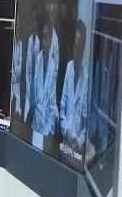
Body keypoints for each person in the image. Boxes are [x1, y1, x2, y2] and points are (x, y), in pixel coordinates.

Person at [29, 13, 60, 146]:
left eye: (47, 36)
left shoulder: (54, 66)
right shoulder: (39, 59)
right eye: (43, 36)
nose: (44, 41)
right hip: (36, 122)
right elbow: (35, 94)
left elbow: (52, 104)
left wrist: (48, 131)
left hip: (48, 126)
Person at [61, 21, 90, 157]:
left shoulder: (86, 79)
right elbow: (62, 110)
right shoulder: (68, 68)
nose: (76, 49)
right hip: (65, 143)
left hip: (77, 149)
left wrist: (78, 142)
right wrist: (66, 132)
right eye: (75, 45)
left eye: (79, 45)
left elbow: (86, 126)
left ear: (83, 47)